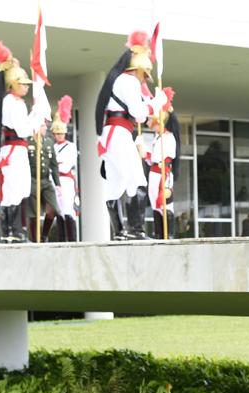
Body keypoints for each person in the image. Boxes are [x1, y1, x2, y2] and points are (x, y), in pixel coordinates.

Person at [95, 31, 169, 240]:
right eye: (145, 74)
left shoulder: (118, 80)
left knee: (115, 186)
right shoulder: (129, 81)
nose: (145, 79)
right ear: (138, 69)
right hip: (118, 134)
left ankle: (119, 232)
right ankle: (136, 230)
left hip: (111, 135)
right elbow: (138, 114)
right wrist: (156, 102)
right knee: (137, 180)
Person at [0, 40, 49, 243]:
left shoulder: (13, 102)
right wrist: (35, 119)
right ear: (13, 83)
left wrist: (34, 115)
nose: (26, 87)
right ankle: (11, 230)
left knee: (20, 189)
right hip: (14, 150)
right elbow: (22, 129)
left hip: (15, 150)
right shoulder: (13, 103)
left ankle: (15, 229)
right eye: (23, 84)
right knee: (14, 191)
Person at [140, 89, 179, 240]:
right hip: (154, 172)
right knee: (155, 204)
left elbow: (164, 157)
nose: (149, 122)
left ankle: (168, 235)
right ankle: (158, 234)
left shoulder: (168, 137)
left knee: (165, 204)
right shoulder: (157, 138)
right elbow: (151, 158)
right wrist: (142, 150)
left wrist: (148, 154)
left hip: (164, 173)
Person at [22, 119, 60, 243]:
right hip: (32, 180)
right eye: (43, 126)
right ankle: (35, 239)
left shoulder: (48, 142)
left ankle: (44, 235)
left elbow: (53, 164)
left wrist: (57, 183)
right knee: (33, 213)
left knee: (52, 209)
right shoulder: (28, 142)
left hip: (45, 180)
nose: (45, 128)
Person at [51, 95, 80, 242]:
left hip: (66, 179)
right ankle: (61, 239)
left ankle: (72, 239)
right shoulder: (52, 147)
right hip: (55, 180)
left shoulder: (71, 146)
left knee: (68, 209)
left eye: (61, 133)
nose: (59, 135)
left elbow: (67, 163)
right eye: (56, 133)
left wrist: (57, 164)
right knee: (59, 211)